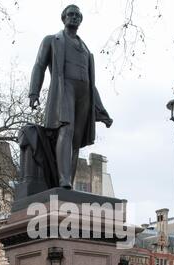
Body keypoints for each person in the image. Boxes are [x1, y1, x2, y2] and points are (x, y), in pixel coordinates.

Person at [29, 4, 113, 190]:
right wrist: (34, 92)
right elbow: (39, 66)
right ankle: (63, 179)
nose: (74, 17)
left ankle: (69, 183)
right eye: (70, 14)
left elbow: (92, 85)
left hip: (84, 94)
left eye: (77, 15)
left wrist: (101, 110)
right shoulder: (52, 40)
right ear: (64, 18)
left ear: (80, 20)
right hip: (65, 88)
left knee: (76, 139)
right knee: (65, 129)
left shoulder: (86, 50)